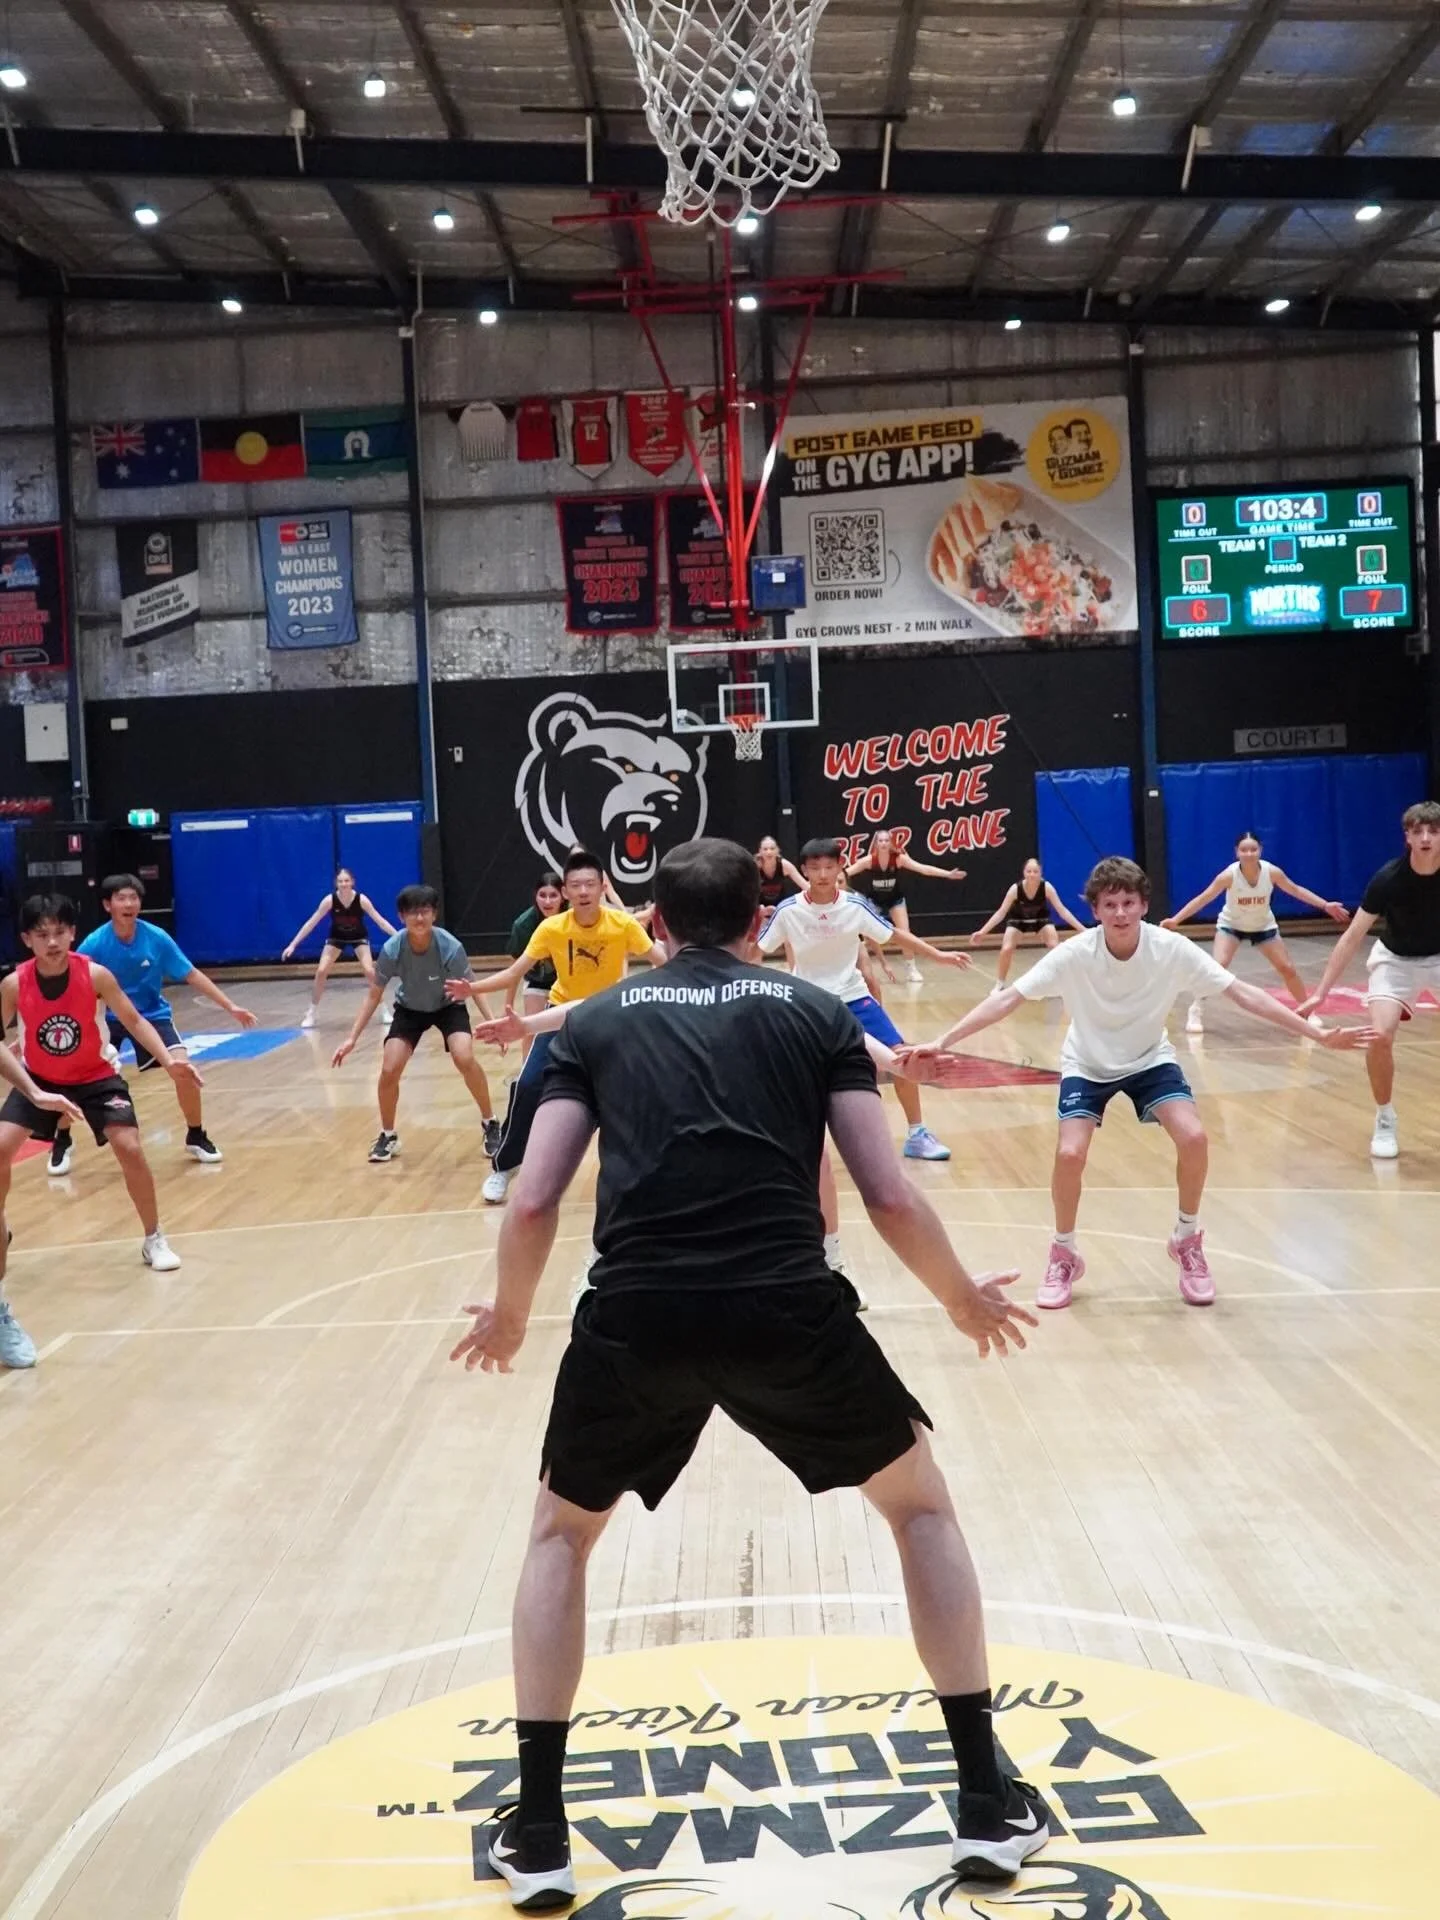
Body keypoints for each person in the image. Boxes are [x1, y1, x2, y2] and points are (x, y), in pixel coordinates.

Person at [450, 838, 1043, 1909]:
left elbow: (533, 1198)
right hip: (787, 1306)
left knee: (559, 1536)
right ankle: (987, 1807)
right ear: (755, 913)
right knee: (918, 1513)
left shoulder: (591, 1022)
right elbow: (888, 1194)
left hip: (637, 1316)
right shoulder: (818, 1016)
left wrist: (508, 1316)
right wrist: (961, 1298)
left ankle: (538, 1831)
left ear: (657, 924)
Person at [905, 856, 1372, 1310]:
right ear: (1095, 911)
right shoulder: (1074, 955)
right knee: (1070, 1153)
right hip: (1087, 1063)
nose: (1121, 912)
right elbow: (1007, 1001)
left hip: (1150, 1060)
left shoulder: (1170, 949)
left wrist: (1317, 1032)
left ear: (1144, 905)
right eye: (1110, 905)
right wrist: (945, 1039)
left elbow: (1241, 993)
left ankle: (1186, 1239)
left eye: (1129, 902)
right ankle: (1064, 1252)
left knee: (1194, 1137)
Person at [1, 894, 206, 1363]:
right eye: (41, 934)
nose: (52, 942)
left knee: (129, 1147)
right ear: (27, 939)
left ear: (72, 934)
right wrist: (29, 1085)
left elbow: (132, 1019)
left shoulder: (94, 974)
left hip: (95, 1077)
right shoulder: (15, 984)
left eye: (59, 932)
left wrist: (172, 1059)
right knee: (2, 1150)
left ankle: (154, 1236)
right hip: (41, 1081)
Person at [449, 850, 663, 1206]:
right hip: (560, 1015)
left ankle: (646, 1176)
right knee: (530, 1083)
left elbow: (662, 960)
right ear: (565, 891)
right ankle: (504, 1167)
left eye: (590, 884)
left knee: (636, 1093)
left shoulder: (622, 925)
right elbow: (515, 972)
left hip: (611, 1018)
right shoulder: (551, 928)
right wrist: (473, 988)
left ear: (601, 887)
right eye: (575, 885)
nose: (583, 891)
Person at [758, 837, 970, 1161]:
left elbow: (894, 934)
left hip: (854, 998)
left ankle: (917, 1133)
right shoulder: (789, 911)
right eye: (815, 869)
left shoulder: (854, 906)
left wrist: (938, 955)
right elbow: (756, 951)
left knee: (902, 1056)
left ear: (840, 867)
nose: (823, 875)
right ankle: (779, 1143)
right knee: (781, 1071)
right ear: (803, 871)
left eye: (830, 867)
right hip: (807, 1004)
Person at [46, 872, 254, 1175]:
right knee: (72, 1076)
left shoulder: (155, 938)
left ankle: (196, 1134)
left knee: (184, 1070)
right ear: (108, 905)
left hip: (151, 1017)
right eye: (121, 898)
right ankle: (62, 1138)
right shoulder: (96, 943)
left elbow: (191, 973)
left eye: (134, 897)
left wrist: (230, 1006)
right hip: (107, 1018)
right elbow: (71, 982)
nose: (129, 903)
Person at [1296, 800, 1440, 1160]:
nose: (1425, 838)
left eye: (1433, 831)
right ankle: (1385, 1117)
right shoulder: (1388, 879)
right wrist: (1321, 994)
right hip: (1395, 962)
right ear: (1407, 836)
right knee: (1379, 1036)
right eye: (1417, 831)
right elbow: (1351, 937)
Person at [332, 884, 500, 1164]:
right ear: (401, 917)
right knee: (389, 1068)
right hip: (410, 1009)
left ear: (434, 914)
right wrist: (352, 1038)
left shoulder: (449, 946)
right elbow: (374, 994)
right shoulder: (392, 948)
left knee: (464, 1057)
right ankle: (388, 1135)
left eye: (424, 912)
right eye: (412, 913)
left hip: (449, 1005)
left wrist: (493, 1022)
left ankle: (490, 1122)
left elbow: (473, 986)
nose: (419, 918)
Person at [1161, 832, 1348, 1034]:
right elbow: (1203, 898)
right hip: (1231, 926)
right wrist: (1176, 919)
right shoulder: (1228, 876)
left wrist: (1325, 905)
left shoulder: (1272, 872)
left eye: (1253, 849)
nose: (1249, 853)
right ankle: (1196, 1008)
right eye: (1244, 850)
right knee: (1217, 967)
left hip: (1263, 926)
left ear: (1260, 850)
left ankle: (1307, 1012)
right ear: (1236, 852)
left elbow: (1296, 890)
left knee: (1287, 968)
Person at [282, 868, 397, 1030]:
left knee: (370, 971)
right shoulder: (329, 901)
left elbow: (380, 921)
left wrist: (398, 936)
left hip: (358, 937)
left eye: (346, 881)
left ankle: (383, 1009)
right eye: (340, 881)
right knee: (321, 971)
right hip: (336, 938)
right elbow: (311, 922)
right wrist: (293, 944)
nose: (344, 884)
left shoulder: (361, 900)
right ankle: (311, 1013)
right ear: (336, 883)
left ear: (352, 882)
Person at [848, 827, 967, 983]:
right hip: (874, 901)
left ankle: (911, 968)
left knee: (905, 933)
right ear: (875, 844)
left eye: (886, 840)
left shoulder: (899, 859)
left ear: (890, 843)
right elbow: (845, 873)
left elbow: (924, 869)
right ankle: (862, 965)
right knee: (870, 936)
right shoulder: (868, 861)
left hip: (895, 900)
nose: (883, 843)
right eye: (880, 840)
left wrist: (948, 874)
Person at [971, 858, 1086, 984]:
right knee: (1007, 949)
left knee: (1055, 946)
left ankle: (1061, 982)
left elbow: (1062, 911)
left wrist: (1082, 930)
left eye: (1035, 871)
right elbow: (1001, 913)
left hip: (1040, 920)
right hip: (1018, 920)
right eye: (1029, 871)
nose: (1032, 874)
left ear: (1041, 873)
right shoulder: (1015, 889)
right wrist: (982, 932)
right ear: (1024, 873)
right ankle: (1000, 984)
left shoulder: (1047, 888)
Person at [508, 873, 564, 1059]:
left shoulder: (573, 917)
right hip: (537, 983)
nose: (547, 901)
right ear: (535, 895)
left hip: (569, 982)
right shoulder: (523, 925)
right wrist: (508, 1004)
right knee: (531, 1028)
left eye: (553, 895)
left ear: (563, 895)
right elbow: (514, 971)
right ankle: (527, 1076)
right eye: (542, 895)